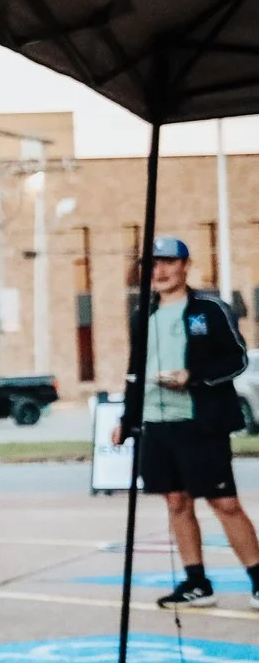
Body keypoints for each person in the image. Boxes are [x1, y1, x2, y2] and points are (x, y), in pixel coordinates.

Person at [115, 235, 257, 608]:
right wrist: (127, 417)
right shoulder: (141, 315)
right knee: (176, 502)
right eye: (152, 264)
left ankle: (258, 579)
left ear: (185, 266)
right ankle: (196, 582)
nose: (159, 271)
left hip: (200, 422)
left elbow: (237, 358)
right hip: (156, 422)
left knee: (224, 502)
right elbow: (135, 369)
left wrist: (192, 376)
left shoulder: (209, 309)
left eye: (168, 262)